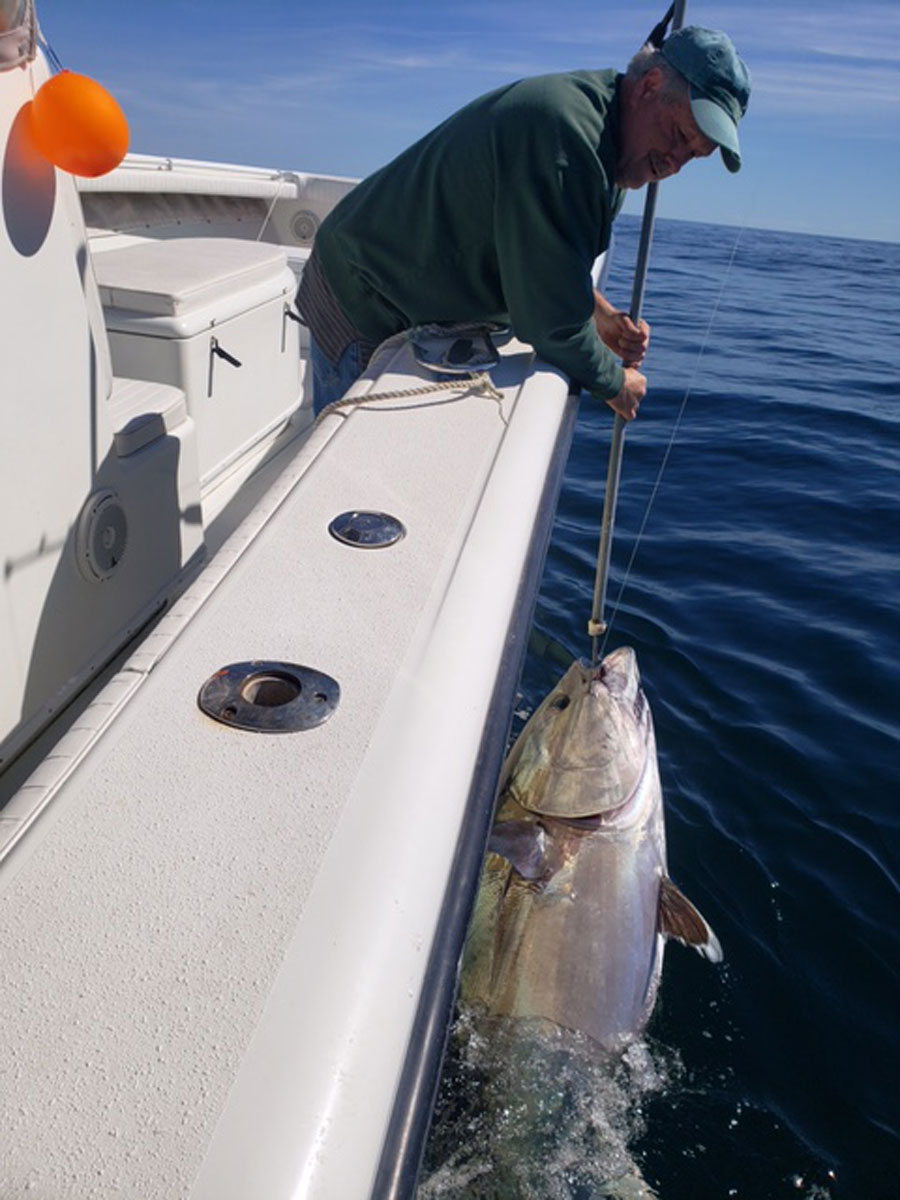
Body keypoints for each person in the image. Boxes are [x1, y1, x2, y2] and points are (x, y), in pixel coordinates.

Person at [298, 25, 750, 417]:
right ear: (649, 85)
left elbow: (544, 253)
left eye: (694, 155)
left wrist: (600, 315)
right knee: (352, 501)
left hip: (405, 295)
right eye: (677, 136)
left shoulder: (608, 140)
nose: (674, 164)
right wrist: (616, 383)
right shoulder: (567, 135)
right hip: (364, 296)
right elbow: (548, 325)